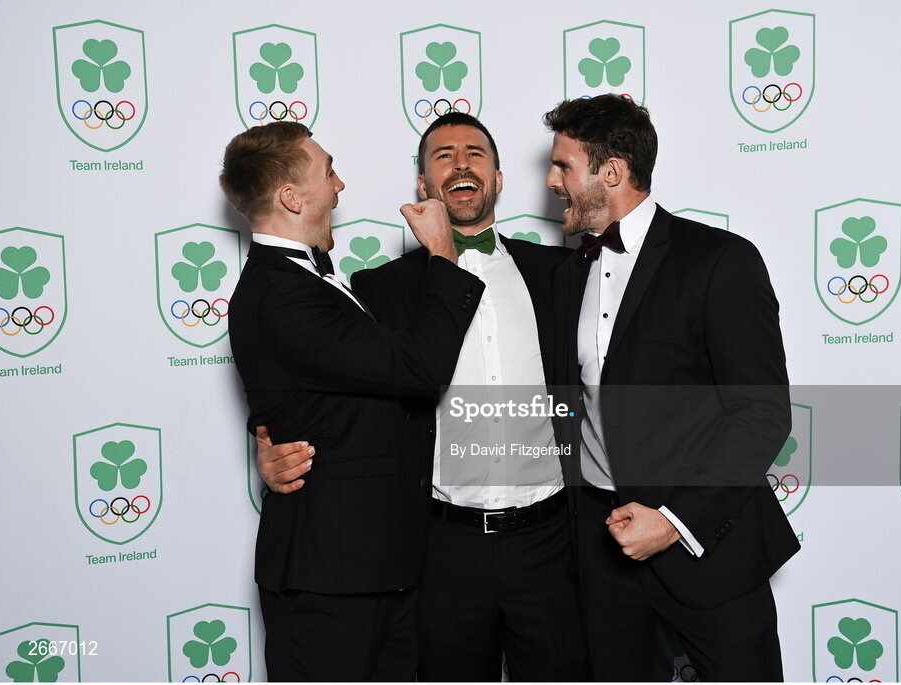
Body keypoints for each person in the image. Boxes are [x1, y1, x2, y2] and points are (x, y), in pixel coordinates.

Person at [256, 113, 588, 681]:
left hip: (551, 544)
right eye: (442, 155)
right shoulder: (378, 290)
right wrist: (269, 439)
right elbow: (322, 381)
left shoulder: (562, 273)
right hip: (438, 550)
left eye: (475, 153)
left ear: (500, 178)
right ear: (422, 186)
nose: (461, 163)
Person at [544, 94, 800, 681]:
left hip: (710, 547)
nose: (553, 181)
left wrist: (676, 520)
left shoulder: (720, 260)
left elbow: (761, 415)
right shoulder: (568, 271)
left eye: (564, 166)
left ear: (611, 172)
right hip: (603, 555)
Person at [220, 120, 484, 681]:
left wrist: (265, 430)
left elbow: (315, 394)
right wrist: (442, 252)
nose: (340, 187)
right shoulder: (282, 295)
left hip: (380, 566)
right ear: (291, 197)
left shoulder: (313, 285)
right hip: (330, 580)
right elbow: (420, 368)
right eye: (328, 172)